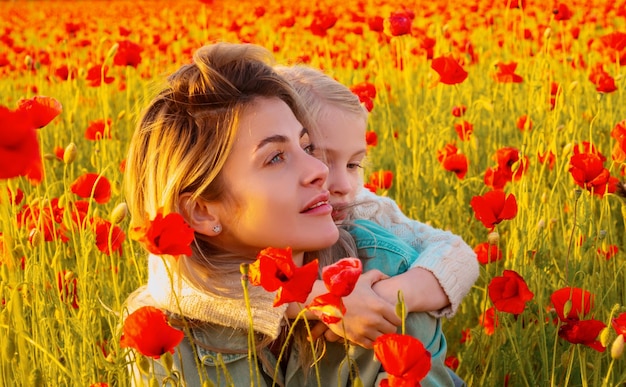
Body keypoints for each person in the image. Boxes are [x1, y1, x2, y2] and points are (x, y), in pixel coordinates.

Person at [123, 42, 342, 386]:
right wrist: (287, 304)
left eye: (306, 146)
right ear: (201, 211)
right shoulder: (166, 340)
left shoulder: (381, 280)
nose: (319, 169)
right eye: (275, 158)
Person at [275, 65, 476, 386]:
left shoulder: (362, 209)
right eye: (324, 160)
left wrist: (384, 298)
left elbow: (456, 255)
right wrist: (325, 300)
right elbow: (209, 289)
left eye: (354, 164)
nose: (342, 183)